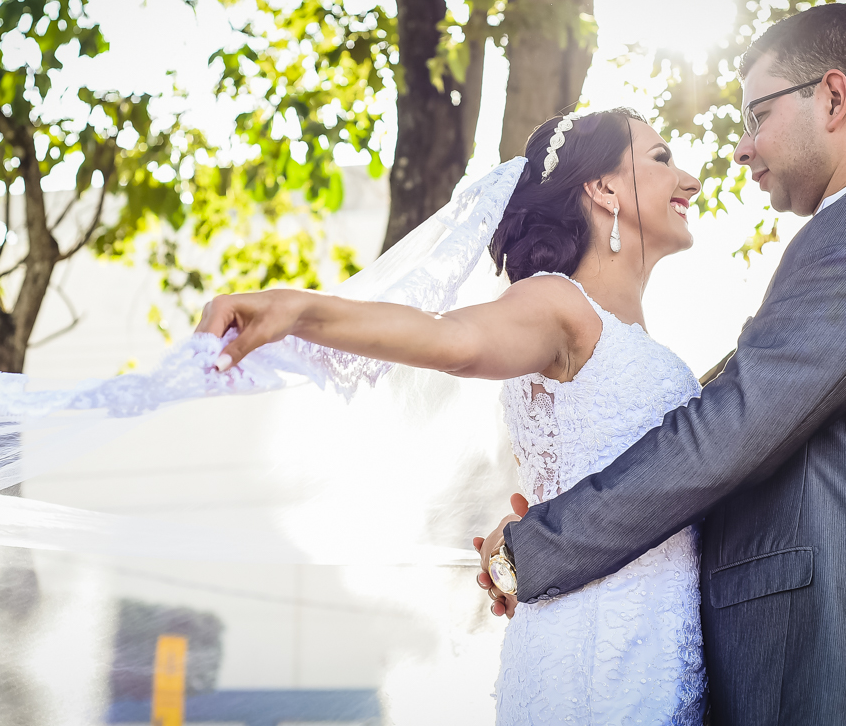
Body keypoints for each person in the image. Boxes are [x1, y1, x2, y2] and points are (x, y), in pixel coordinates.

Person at [475, 3, 846, 725]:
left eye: (757, 116)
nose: (742, 148)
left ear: (833, 97)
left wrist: (536, 550)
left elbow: (730, 431)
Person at [196, 108, 709, 722]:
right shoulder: (558, 304)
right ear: (602, 189)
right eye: (660, 159)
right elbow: (451, 339)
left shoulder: (641, 344)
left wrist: (520, 545)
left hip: (654, 652)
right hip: (594, 666)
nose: (690, 179)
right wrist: (296, 309)